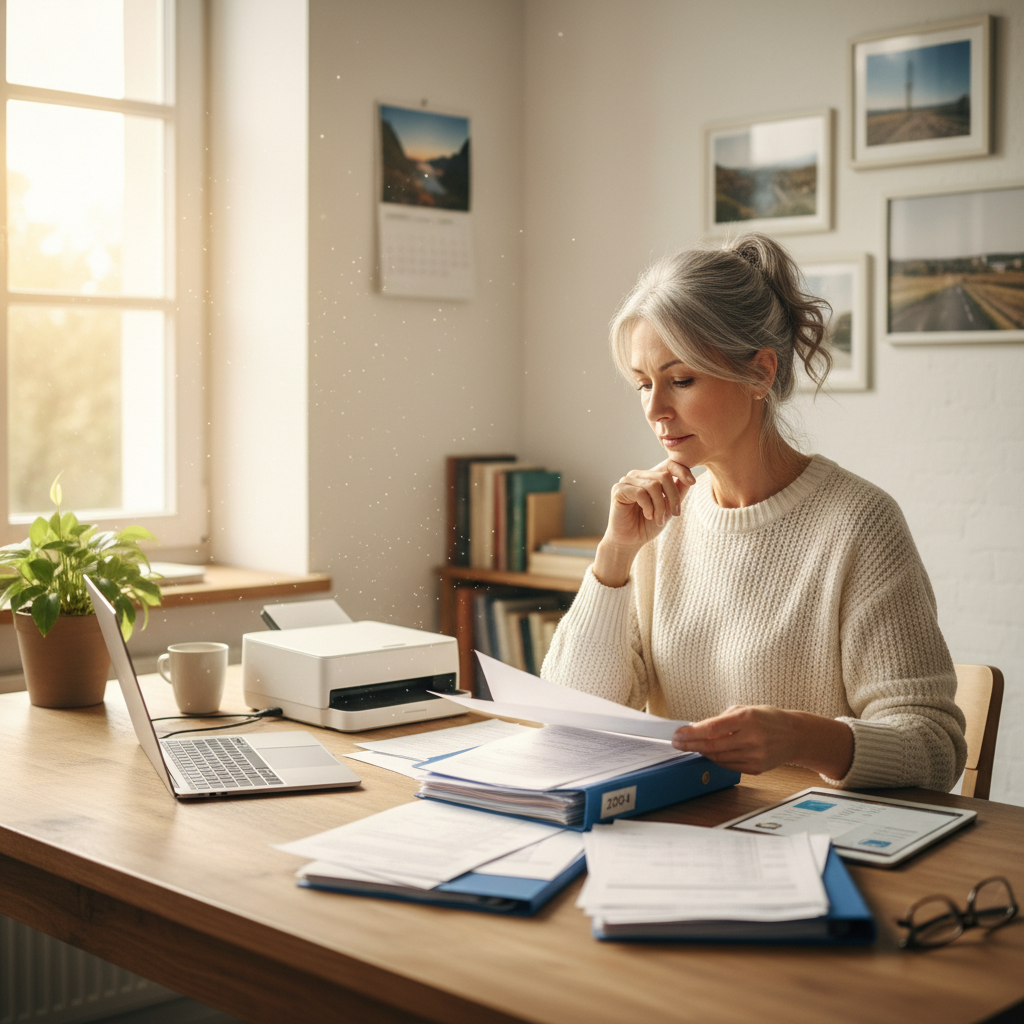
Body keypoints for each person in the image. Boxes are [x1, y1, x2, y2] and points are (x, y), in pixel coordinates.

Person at [541, 233, 966, 792]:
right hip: (684, 832)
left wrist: (802, 738)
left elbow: (935, 748)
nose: (655, 410)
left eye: (681, 380)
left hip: (817, 843)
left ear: (761, 373)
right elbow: (573, 715)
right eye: (643, 384)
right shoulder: (661, 525)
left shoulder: (860, 524)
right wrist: (615, 556)